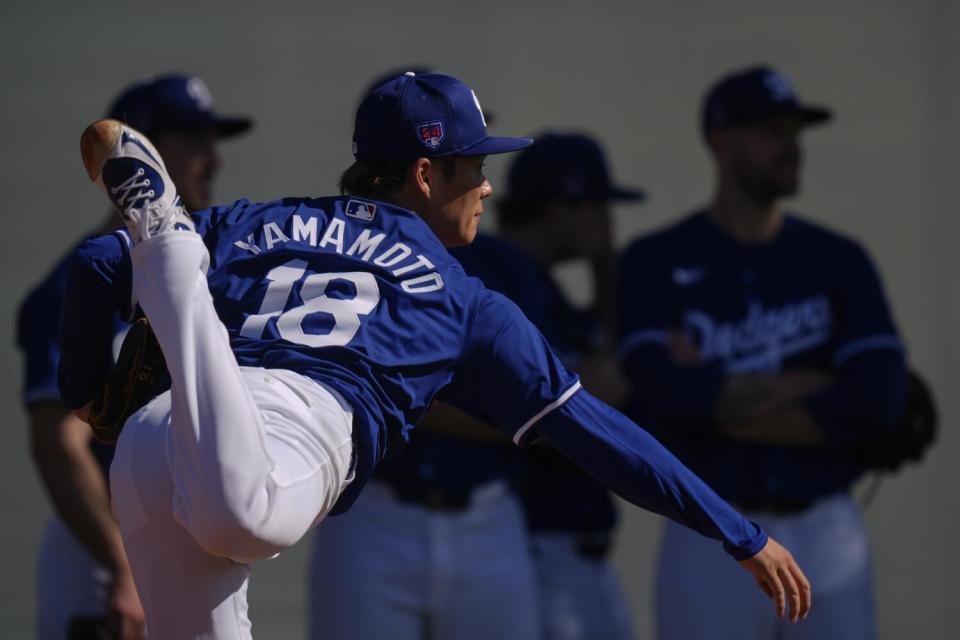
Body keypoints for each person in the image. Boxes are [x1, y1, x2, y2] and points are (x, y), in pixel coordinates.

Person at [61, 72, 809, 639]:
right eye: (473, 164)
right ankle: (173, 263)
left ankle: (173, 262)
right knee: (242, 520)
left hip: (161, 436)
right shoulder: (465, 300)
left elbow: (97, 261)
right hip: (283, 435)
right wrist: (736, 531)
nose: (487, 184)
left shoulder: (259, 219)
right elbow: (601, 437)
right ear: (426, 175)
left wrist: (92, 395)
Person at [617, 65, 906, 640]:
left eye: (795, 133)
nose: (792, 147)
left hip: (825, 529)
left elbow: (878, 400)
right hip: (709, 532)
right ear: (723, 143)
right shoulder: (655, 260)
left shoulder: (838, 259)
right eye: (773, 131)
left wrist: (713, 401)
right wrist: (815, 383)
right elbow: (657, 399)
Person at [17, 73, 251, 639]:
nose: (212, 161)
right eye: (194, 141)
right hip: (104, 549)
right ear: (139, 148)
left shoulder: (205, 273)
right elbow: (59, 442)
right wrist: (120, 567)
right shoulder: (80, 283)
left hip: (186, 537)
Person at [488, 132, 640, 640]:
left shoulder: (539, 284)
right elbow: (593, 391)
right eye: (597, 207)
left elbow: (602, 361)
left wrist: (606, 270)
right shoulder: (508, 278)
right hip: (536, 549)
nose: (606, 225)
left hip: (574, 553)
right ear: (560, 208)